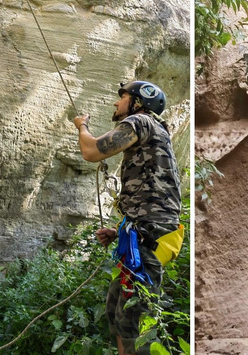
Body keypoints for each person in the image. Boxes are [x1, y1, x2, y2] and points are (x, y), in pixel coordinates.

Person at [72, 81, 183, 355]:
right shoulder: (155, 130)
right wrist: (118, 231)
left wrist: (81, 126)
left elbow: (91, 151)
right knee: (117, 313)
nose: (116, 103)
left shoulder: (141, 122)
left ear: (137, 102)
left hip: (151, 236)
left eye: (122, 98)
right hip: (143, 233)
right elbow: (151, 197)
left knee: (135, 322)